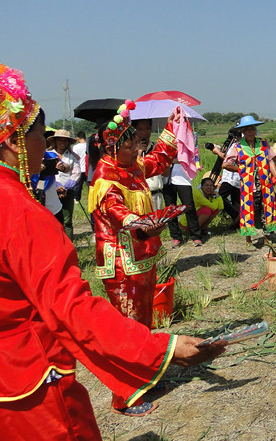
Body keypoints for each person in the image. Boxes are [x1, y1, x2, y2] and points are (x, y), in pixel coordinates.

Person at [0, 61, 226, 438]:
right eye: (40, 134)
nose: (45, 144)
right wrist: (162, 348)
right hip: (28, 379)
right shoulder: (20, 211)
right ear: (14, 141)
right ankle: (129, 389)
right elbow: (72, 309)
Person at [89, 100, 210, 416]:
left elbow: (161, 157)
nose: (137, 148)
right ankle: (123, 396)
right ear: (114, 147)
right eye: (130, 143)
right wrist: (141, 222)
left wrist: (175, 123)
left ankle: (145, 378)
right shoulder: (106, 178)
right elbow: (117, 212)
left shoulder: (133, 167)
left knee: (142, 327)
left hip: (142, 260)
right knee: (126, 331)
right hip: (121, 267)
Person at [223, 115, 276, 248]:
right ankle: (248, 241)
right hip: (248, 186)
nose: (250, 131)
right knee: (248, 211)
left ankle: (267, 238)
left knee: (267, 209)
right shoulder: (238, 147)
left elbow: (271, 161)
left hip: (265, 184)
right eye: (247, 129)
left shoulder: (263, 143)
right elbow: (226, 164)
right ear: (243, 131)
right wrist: (240, 169)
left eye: (252, 129)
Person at [49, 129, 82, 240]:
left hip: (68, 191)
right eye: (60, 140)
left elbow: (76, 173)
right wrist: (56, 186)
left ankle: (69, 245)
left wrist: (66, 187)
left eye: (65, 141)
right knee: (52, 219)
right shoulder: (48, 154)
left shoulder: (73, 156)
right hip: (51, 190)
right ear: (55, 141)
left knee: (67, 220)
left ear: (68, 143)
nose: (62, 143)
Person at [134, 118, 167, 211]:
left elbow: (166, 173)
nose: (144, 132)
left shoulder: (157, 148)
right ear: (135, 130)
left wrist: (165, 159)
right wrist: (139, 154)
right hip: (138, 196)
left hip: (156, 195)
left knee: (156, 224)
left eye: (147, 128)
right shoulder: (130, 149)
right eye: (140, 129)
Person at [179, 170, 224, 235]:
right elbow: (213, 206)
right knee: (207, 210)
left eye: (211, 186)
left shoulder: (210, 195)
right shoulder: (198, 193)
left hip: (197, 217)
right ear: (202, 187)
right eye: (206, 185)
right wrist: (215, 202)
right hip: (186, 223)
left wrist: (217, 195)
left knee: (215, 210)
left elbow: (221, 207)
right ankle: (194, 230)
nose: (209, 187)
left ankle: (202, 228)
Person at [72, 130, 88, 201]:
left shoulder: (76, 147)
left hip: (79, 168)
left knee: (78, 186)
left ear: (78, 138)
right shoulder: (88, 145)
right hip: (88, 169)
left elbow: (74, 158)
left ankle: (77, 199)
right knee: (90, 186)